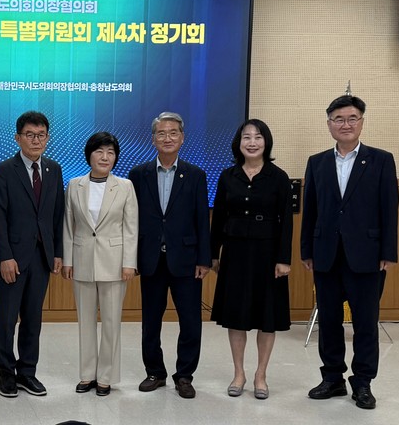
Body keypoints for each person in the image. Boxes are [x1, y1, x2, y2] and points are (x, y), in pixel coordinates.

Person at [301, 95, 398, 410]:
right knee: (329, 320)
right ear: (329, 124)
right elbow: (310, 210)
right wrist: (306, 250)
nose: (346, 124)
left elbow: (389, 209)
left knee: (366, 323)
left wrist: (388, 251)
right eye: (339, 119)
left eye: (352, 118)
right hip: (326, 254)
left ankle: (363, 383)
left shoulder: (381, 160)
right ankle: (332, 379)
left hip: (367, 254)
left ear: (361, 122)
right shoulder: (317, 162)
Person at [128, 111, 211, 399]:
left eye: (173, 132)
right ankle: (155, 372)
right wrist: (132, 258)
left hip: (186, 260)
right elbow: (131, 220)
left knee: (190, 321)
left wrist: (204, 259)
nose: (167, 138)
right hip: (150, 259)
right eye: (161, 133)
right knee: (151, 321)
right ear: (153, 139)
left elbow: (202, 219)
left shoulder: (196, 175)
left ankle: (184, 375)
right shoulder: (138, 174)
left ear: (182, 138)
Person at [210, 119, 292, 400]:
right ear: (239, 142)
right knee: (236, 316)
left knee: (266, 317)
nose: (252, 142)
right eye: (247, 137)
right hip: (235, 252)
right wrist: (213, 253)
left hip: (268, 254)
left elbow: (286, 221)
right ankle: (239, 373)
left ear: (266, 142)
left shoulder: (278, 177)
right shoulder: (227, 176)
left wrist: (284, 258)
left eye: (258, 137)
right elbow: (219, 217)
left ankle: (261, 375)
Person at [0, 111, 65, 398]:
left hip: (41, 256)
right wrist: (4, 256)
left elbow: (57, 215)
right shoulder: (4, 170)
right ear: (17, 138)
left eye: (41, 135)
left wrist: (57, 252)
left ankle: (27, 373)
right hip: (11, 257)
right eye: (30, 135)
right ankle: (6, 374)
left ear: (48, 138)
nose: (36, 140)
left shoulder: (54, 169)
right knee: (7, 320)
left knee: (33, 319)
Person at [62, 132, 138, 397]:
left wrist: (129, 263)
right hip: (82, 260)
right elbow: (68, 225)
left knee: (111, 322)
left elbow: (131, 227)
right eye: (99, 151)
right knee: (85, 321)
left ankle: (106, 377)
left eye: (110, 152)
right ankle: (87, 375)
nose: (105, 157)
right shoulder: (74, 185)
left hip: (115, 263)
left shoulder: (125, 186)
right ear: (89, 155)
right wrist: (68, 260)